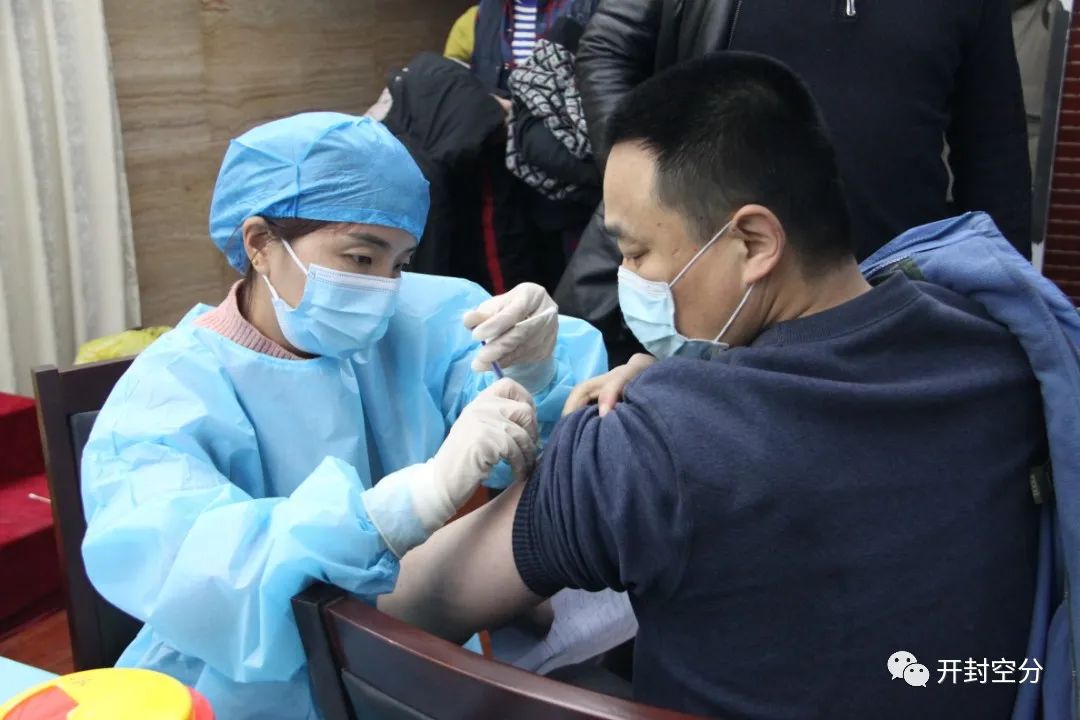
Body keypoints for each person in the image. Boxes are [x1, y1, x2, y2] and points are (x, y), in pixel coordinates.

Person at [378, 54, 1046, 719]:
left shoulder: (652, 443)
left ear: (754, 242)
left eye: (636, 253)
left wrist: (412, 499)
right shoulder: (999, 350)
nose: (628, 281)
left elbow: (414, 604)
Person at [80, 112, 606, 720]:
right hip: (244, 684)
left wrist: (534, 371)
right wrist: (400, 506)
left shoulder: (410, 317)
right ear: (259, 243)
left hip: (403, 651)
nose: (383, 288)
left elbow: (531, 434)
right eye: (360, 258)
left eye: (400, 263)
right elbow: (209, 581)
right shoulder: (165, 397)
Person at [556, 0, 1033, 366]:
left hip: (896, 300)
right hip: (725, 298)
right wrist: (653, 194)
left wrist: (1003, 313)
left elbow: (994, 147)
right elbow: (608, 50)